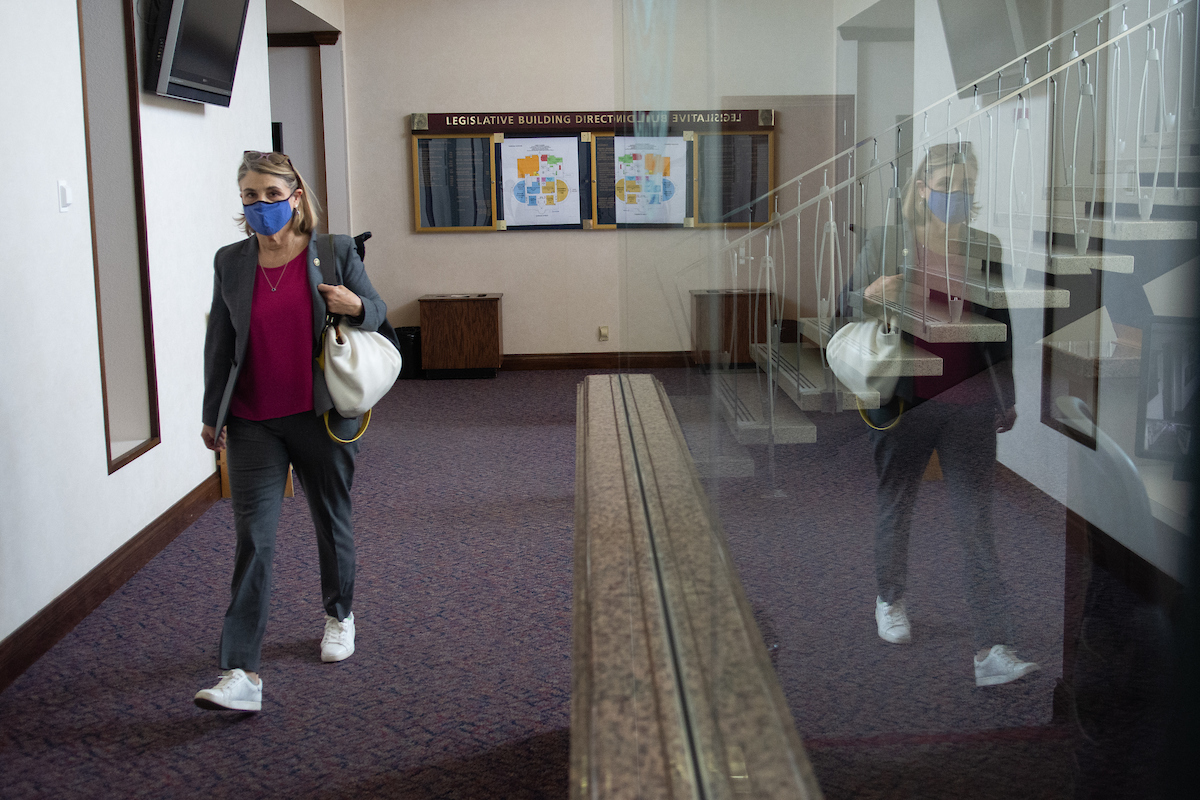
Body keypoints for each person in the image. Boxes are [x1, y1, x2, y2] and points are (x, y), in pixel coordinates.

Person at [194, 151, 388, 711]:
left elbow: (378, 314)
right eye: (249, 197)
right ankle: (241, 673)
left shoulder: (335, 252)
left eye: (271, 196)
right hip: (253, 421)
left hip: (319, 415)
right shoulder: (230, 262)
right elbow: (221, 345)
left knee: (332, 520)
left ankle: (339, 614)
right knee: (254, 538)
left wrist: (356, 305)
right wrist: (214, 413)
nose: (260, 207)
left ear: (296, 198)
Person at [855, 142, 1039, 687]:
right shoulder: (889, 241)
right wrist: (868, 292)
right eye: (947, 184)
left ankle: (992, 649)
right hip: (905, 400)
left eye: (966, 187)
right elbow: (845, 304)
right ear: (920, 187)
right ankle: (890, 598)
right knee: (897, 504)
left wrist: (1005, 391)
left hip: (969, 402)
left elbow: (999, 320)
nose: (957, 195)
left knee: (976, 525)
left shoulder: (984, 245)